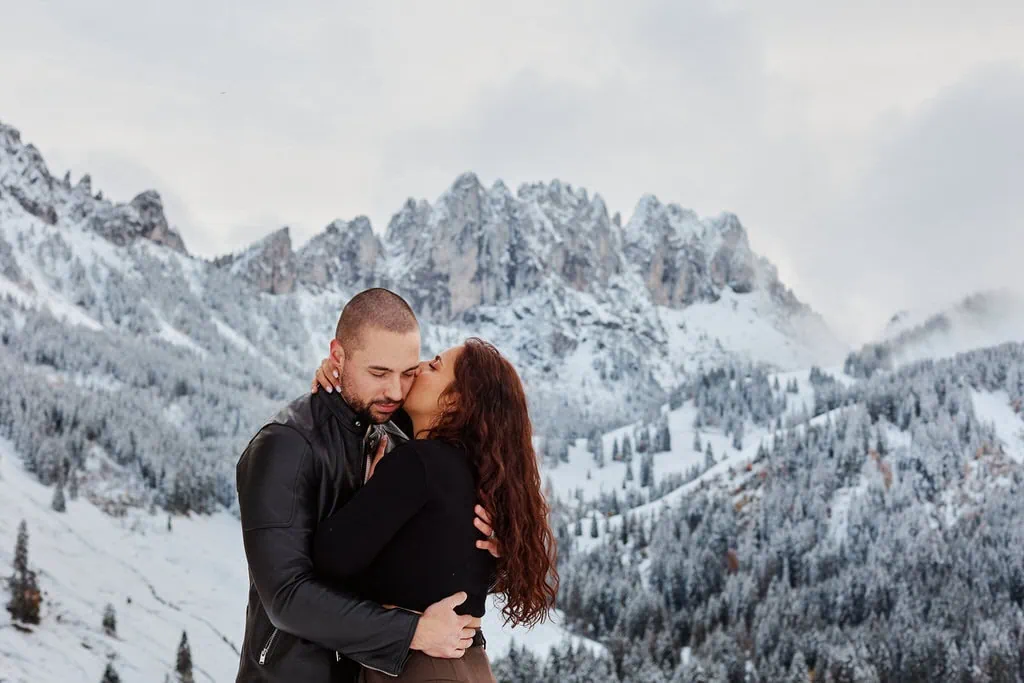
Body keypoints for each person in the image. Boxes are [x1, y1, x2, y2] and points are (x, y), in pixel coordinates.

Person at [235, 288, 500, 683]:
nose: (395, 391)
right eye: (379, 373)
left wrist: (497, 546)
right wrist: (412, 632)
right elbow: (286, 597)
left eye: (408, 373)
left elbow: (424, 556)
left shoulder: (401, 438)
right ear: (338, 357)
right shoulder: (285, 445)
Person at [310, 338, 559, 682]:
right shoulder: (475, 477)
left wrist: (364, 491)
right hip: (467, 665)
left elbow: (329, 558)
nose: (419, 367)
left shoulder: (419, 464)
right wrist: (343, 380)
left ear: (456, 401)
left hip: (420, 668)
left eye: (435, 366)